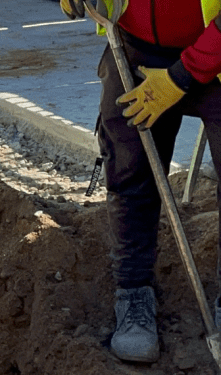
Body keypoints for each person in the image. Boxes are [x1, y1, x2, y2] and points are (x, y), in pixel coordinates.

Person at [60, 0, 221, 363]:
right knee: (130, 171)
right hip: (134, 47)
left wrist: (182, 76)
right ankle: (134, 291)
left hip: (217, 50)